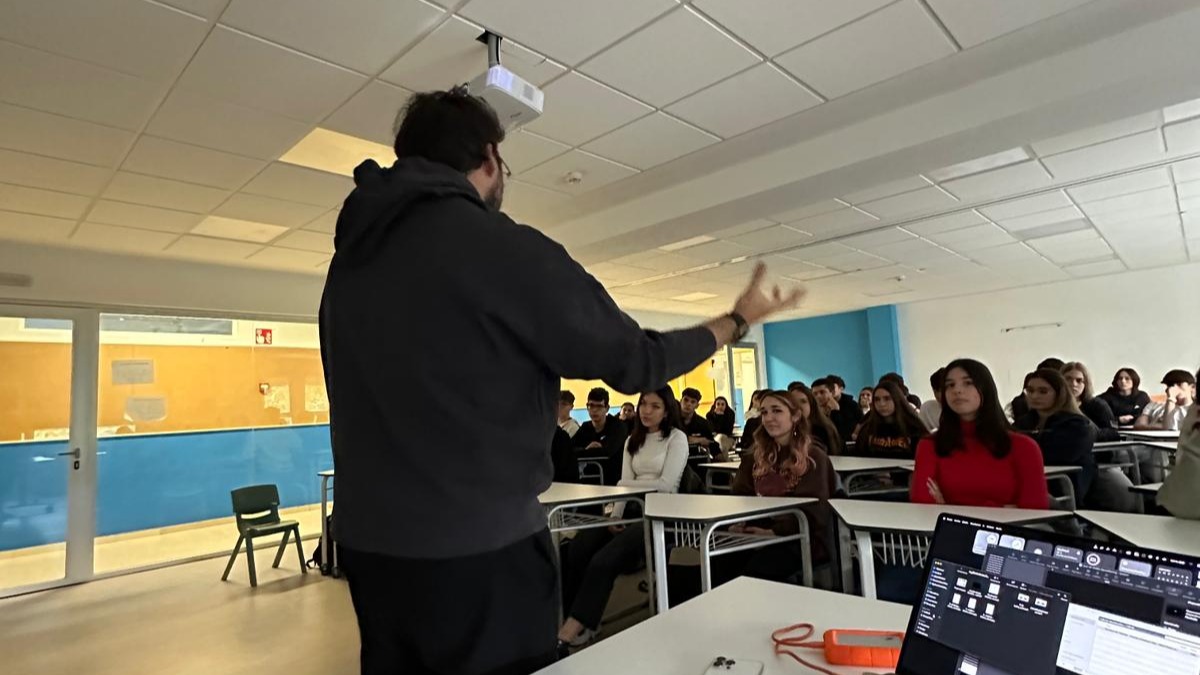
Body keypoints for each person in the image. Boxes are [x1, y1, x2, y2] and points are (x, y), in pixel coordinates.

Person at [320, 86, 805, 675]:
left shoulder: (350, 267)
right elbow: (637, 362)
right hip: (476, 547)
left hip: (372, 549)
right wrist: (736, 321)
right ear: (491, 157)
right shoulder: (500, 249)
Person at [558, 387, 689, 652]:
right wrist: (615, 514)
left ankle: (573, 628)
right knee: (577, 547)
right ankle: (577, 616)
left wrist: (626, 484)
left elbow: (666, 486)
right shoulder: (633, 440)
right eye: (644, 405)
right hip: (628, 509)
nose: (646, 411)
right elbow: (621, 487)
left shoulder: (677, 439)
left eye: (655, 406)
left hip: (661, 513)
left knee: (604, 560)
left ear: (666, 412)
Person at [719, 390, 837, 585]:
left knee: (754, 572)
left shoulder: (814, 458)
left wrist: (774, 533)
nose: (769, 418)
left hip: (800, 536)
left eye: (777, 411)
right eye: (764, 412)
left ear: (796, 416)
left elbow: (815, 510)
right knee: (718, 563)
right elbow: (740, 496)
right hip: (757, 530)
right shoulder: (753, 457)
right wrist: (739, 524)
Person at [911, 359, 1049, 508]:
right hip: (949, 530)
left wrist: (950, 506)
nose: (957, 390)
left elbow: (1035, 509)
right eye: (950, 385)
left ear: (985, 389)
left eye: (968, 383)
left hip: (1011, 530)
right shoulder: (930, 445)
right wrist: (1002, 507)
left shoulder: (1023, 447)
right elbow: (922, 504)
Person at [1012, 369, 1097, 505]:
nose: (1034, 396)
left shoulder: (1078, 425)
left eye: (1043, 391)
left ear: (1059, 394)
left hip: (1063, 486)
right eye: (1030, 391)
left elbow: (1056, 455)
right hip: (1027, 479)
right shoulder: (1024, 422)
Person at [1159, 370, 1200, 519]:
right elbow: (1167, 429)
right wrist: (1170, 400)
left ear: (1192, 388)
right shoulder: (1192, 413)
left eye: (1178, 384)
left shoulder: (1192, 411)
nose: (1174, 388)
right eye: (1170, 385)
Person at [853, 381, 928, 460]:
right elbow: (859, 457)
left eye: (887, 399)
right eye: (877, 400)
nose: (882, 404)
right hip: (874, 471)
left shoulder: (915, 428)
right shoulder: (867, 429)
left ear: (897, 399)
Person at [573, 387, 629, 486]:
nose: (594, 410)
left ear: (607, 408)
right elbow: (569, 450)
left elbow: (608, 451)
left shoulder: (618, 426)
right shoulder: (585, 427)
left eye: (599, 406)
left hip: (613, 481)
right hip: (588, 481)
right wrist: (586, 449)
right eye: (590, 405)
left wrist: (583, 452)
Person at [1060, 362, 1119, 442]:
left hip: (1094, 451)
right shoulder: (1053, 404)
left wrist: (1088, 433)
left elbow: (1113, 433)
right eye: (1068, 379)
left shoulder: (1098, 405)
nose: (1073, 384)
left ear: (1086, 384)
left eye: (1079, 380)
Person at [788, 382, 843, 455]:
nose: (798, 406)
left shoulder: (820, 430)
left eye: (803, 401)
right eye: (794, 402)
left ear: (811, 404)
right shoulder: (789, 429)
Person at [812, 377, 858, 444]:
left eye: (822, 392)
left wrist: (835, 412)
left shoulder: (848, 407)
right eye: (815, 394)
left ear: (832, 392)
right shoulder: (812, 411)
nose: (818, 396)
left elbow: (842, 435)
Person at [679, 387, 716, 457]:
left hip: (697, 459)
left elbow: (710, 442)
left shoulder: (703, 423)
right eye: (686, 400)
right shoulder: (671, 420)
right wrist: (697, 440)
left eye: (693, 402)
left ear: (697, 406)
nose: (688, 404)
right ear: (681, 401)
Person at [917, 368, 945, 432]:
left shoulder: (965, 408)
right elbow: (922, 433)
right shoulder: (927, 408)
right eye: (935, 391)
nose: (938, 395)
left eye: (943, 390)